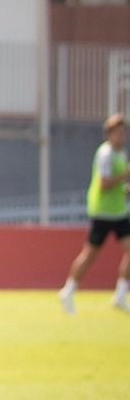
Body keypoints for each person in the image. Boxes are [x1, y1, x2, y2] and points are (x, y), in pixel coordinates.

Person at [59, 113, 130, 314]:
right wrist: (125, 175)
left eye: (124, 132)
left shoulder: (122, 153)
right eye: (118, 133)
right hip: (103, 212)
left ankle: (121, 293)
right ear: (109, 134)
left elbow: (119, 186)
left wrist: (126, 188)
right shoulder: (105, 154)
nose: (121, 137)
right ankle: (69, 289)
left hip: (119, 212)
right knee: (90, 254)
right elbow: (105, 184)